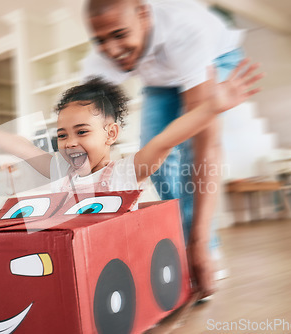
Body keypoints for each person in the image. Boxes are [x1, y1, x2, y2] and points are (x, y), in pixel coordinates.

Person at [82, 0, 254, 297]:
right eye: (100, 40)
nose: (110, 49)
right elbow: (85, 131)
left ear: (143, 14)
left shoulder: (185, 30)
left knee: (190, 159)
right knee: (154, 163)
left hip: (215, 57)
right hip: (160, 78)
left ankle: (203, 249)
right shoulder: (99, 62)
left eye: (120, 34)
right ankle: (189, 243)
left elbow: (205, 145)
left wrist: (198, 243)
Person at [0, 67, 261, 212]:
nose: (70, 142)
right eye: (62, 135)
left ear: (110, 134)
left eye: (82, 132)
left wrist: (212, 107)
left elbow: (165, 140)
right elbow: (21, 147)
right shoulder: (59, 169)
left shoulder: (127, 172)